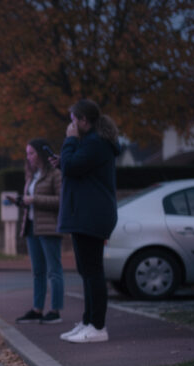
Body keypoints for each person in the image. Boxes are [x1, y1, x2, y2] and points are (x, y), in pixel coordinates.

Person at [51, 98, 120, 344]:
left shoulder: (96, 144)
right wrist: (64, 160)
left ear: (83, 120)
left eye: (73, 120)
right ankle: (88, 321)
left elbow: (73, 167)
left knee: (92, 271)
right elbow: (74, 167)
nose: (70, 125)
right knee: (86, 270)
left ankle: (98, 326)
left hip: (91, 215)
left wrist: (69, 143)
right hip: (86, 214)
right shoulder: (91, 144)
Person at [11, 138, 64, 325]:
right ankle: (37, 309)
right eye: (27, 153)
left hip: (49, 227)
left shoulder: (55, 174)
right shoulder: (32, 175)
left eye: (31, 153)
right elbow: (31, 199)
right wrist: (22, 201)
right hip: (32, 226)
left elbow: (60, 201)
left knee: (54, 271)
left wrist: (35, 200)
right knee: (38, 271)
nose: (29, 157)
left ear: (41, 153)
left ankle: (55, 310)